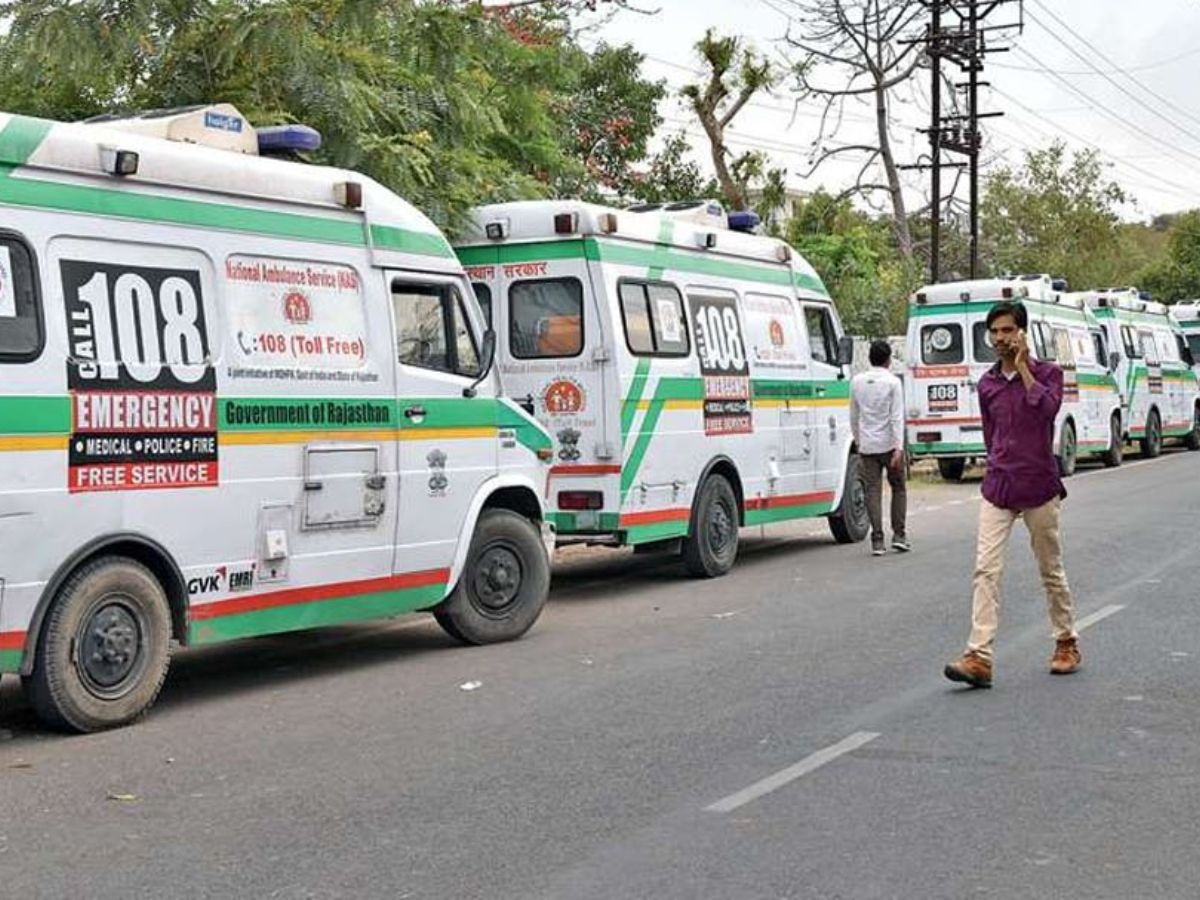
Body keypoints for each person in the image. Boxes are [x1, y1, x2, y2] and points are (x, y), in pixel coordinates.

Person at [944, 301, 1080, 689]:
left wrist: (1022, 369)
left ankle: (1066, 641)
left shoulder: (1049, 374)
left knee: (1050, 570)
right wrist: (997, 462)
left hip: (1038, 486)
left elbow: (1046, 412)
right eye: (995, 332)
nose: (1000, 338)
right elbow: (992, 435)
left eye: (1007, 330)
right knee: (986, 569)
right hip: (999, 485)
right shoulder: (986, 384)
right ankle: (979, 656)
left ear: (1022, 331)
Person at [850, 339, 908, 556]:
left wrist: (858, 440)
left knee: (872, 490)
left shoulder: (856, 382)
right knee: (898, 488)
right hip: (890, 444)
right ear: (889, 360)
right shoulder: (893, 382)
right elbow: (896, 417)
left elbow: (854, 415)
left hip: (867, 445)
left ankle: (877, 539)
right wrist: (899, 447)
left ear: (869, 358)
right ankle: (899, 535)